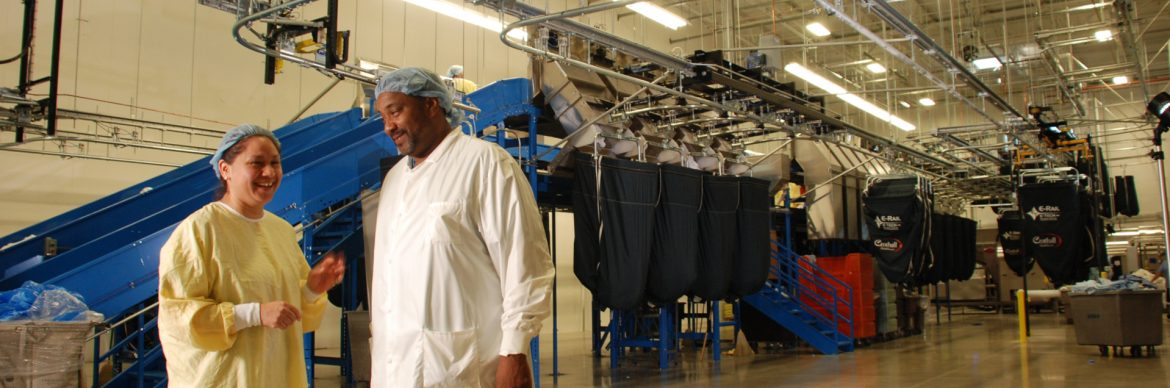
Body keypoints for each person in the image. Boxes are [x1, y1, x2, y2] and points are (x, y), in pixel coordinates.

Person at [370, 67, 554, 387]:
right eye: (383, 116)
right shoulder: (394, 180)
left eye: (396, 111)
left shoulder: (485, 163)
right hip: (394, 367)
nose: (389, 126)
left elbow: (524, 263)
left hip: (458, 366)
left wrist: (514, 351)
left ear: (431, 105)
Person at [157, 124, 346, 388]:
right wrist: (254, 314)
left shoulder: (280, 230)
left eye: (274, 163)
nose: (269, 172)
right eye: (256, 163)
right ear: (226, 170)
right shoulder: (199, 230)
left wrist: (313, 289)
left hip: (277, 376)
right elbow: (179, 318)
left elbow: (290, 314)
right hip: (224, 379)